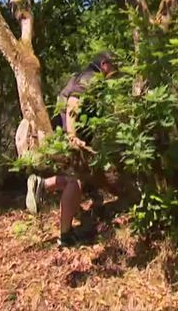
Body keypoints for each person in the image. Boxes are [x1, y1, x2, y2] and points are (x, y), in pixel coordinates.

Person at [25, 51, 118, 247]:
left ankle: (42, 184)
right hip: (67, 135)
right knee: (76, 182)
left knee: (77, 180)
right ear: (104, 64)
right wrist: (72, 135)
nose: (115, 71)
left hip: (63, 132)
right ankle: (65, 235)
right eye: (113, 66)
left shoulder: (83, 76)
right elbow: (73, 103)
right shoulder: (90, 77)